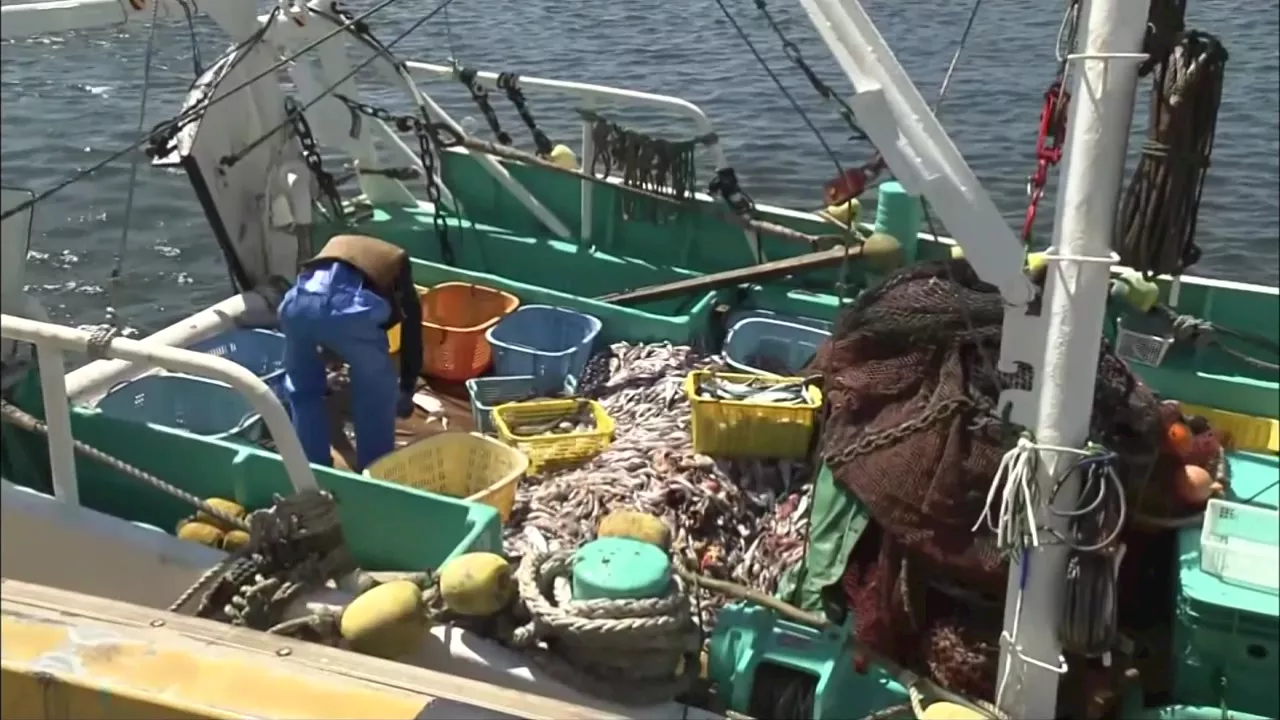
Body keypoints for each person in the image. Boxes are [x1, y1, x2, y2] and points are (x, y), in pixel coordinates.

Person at [278, 234, 423, 471]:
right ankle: (375, 470)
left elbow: (317, 309)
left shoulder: (335, 243)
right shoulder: (399, 261)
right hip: (349, 315)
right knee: (375, 394)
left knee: (302, 389)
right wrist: (406, 388)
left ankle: (311, 467)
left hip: (296, 305)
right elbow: (412, 332)